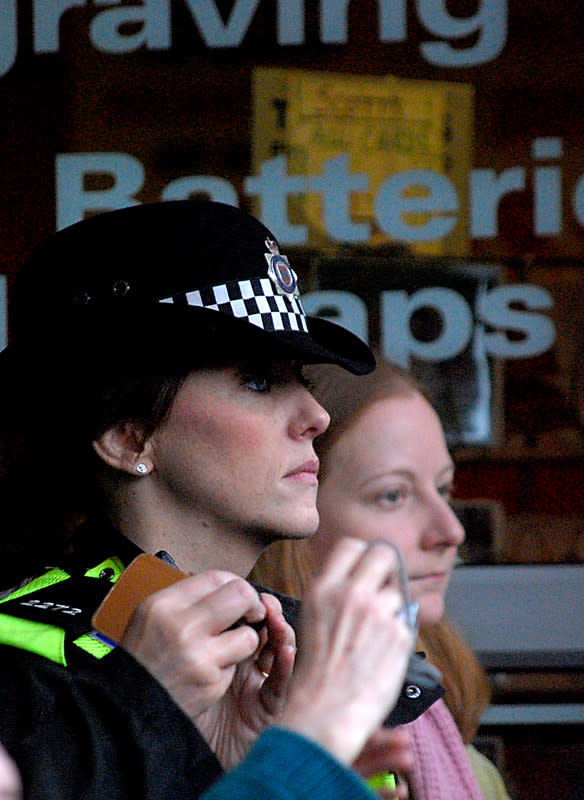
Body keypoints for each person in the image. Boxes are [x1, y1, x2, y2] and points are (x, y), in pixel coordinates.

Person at [0, 200, 416, 800]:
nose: (317, 416)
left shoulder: (314, 660)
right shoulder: (14, 663)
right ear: (128, 436)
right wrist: (141, 709)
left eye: (303, 379)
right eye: (257, 380)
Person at [251, 359, 513, 800]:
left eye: (444, 489)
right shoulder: (235, 738)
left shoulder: (459, 753)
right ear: (296, 514)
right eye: (393, 495)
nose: (450, 532)